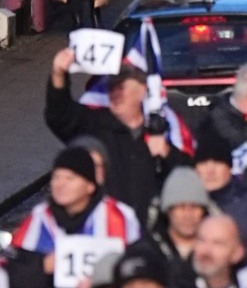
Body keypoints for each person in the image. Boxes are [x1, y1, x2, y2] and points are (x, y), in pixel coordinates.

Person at [8, 147, 144, 288]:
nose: (60, 184)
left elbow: (142, 275)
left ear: (90, 185)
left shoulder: (120, 218)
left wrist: (108, 285)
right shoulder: (39, 221)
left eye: (70, 178)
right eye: (56, 177)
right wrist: (43, 267)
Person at [45, 48, 188, 224]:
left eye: (121, 87)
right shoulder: (95, 124)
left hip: (150, 235)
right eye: (112, 87)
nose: (115, 93)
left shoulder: (162, 128)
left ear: (142, 89)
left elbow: (190, 178)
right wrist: (58, 74)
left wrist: (167, 154)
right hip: (105, 231)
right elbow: (60, 115)